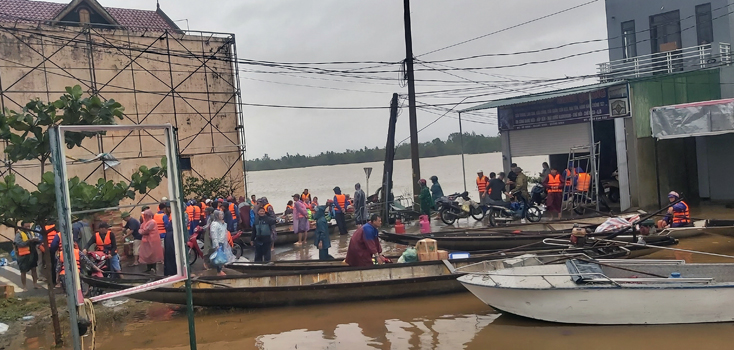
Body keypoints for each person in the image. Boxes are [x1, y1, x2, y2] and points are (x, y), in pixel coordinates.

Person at [14, 223, 40, 289]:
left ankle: (35, 284)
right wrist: (28, 241)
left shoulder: (31, 233)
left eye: (29, 226)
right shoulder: (19, 234)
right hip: (24, 255)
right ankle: (24, 286)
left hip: (32, 253)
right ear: (22, 227)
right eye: (26, 227)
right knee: (23, 271)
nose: (28, 228)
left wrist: (36, 241)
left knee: (34, 269)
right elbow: (18, 243)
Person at [209, 210, 235, 275]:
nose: (222, 216)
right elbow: (214, 235)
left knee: (222, 256)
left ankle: (220, 269)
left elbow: (224, 232)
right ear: (216, 215)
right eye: (220, 215)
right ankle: (219, 271)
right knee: (218, 257)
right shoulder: (215, 224)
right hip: (218, 243)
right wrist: (216, 244)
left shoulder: (222, 223)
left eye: (222, 214)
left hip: (223, 242)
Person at [138, 210, 164, 274]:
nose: (144, 216)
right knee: (147, 255)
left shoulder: (152, 222)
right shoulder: (145, 222)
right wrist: (141, 231)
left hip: (152, 241)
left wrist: (141, 231)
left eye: (145, 215)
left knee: (152, 254)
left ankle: (153, 268)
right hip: (146, 241)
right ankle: (148, 268)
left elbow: (145, 230)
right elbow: (141, 229)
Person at [162, 205, 177, 276]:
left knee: (170, 254)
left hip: (169, 236)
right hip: (170, 236)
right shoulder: (170, 216)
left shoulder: (172, 216)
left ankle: (171, 271)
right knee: (171, 254)